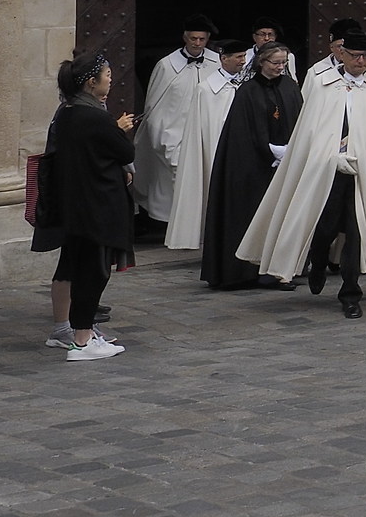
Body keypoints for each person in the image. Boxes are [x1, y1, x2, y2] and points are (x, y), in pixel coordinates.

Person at [239, 35, 366, 317]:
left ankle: (351, 293)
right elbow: (310, 131)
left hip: (363, 171)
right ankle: (319, 254)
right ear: (342, 55)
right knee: (325, 226)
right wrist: (330, 156)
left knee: (355, 230)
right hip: (327, 170)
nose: (360, 62)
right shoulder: (323, 85)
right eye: (354, 55)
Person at [34, 55, 138, 359]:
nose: (110, 80)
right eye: (106, 75)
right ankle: (81, 339)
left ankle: (83, 332)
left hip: (77, 206)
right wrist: (119, 131)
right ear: (90, 82)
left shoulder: (67, 114)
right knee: (94, 270)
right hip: (97, 206)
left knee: (81, 267)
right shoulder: (95, 117)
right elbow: (124, 149)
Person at [200, 46, 303, 291]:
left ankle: (279, 270)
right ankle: (246, 271)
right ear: (261, 62)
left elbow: (301, 120)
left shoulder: (290, 88)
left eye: (283, 63)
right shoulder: (247, 92)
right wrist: (268, 150)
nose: (280, 67)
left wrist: (291, 149)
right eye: (275, 63)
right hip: (254, 168)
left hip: (285, 165)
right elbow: (241, 133)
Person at [163, 44, 255, 253]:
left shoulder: (249, 85)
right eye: (238, 56)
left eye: (244, 56)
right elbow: (199, 127)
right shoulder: (206, 89)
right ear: (224, 58)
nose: (242, 61)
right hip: (214, 149)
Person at [132, 19, 218, 229]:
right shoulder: (166, 66)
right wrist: (162, 135)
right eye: (193, 38)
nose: (198, 43)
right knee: (176, 185)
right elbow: (156, 105)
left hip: (208, 133)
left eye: (202, 39)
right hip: (174, 134)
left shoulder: (216, 63)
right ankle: (177, 228)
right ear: (185, 37)